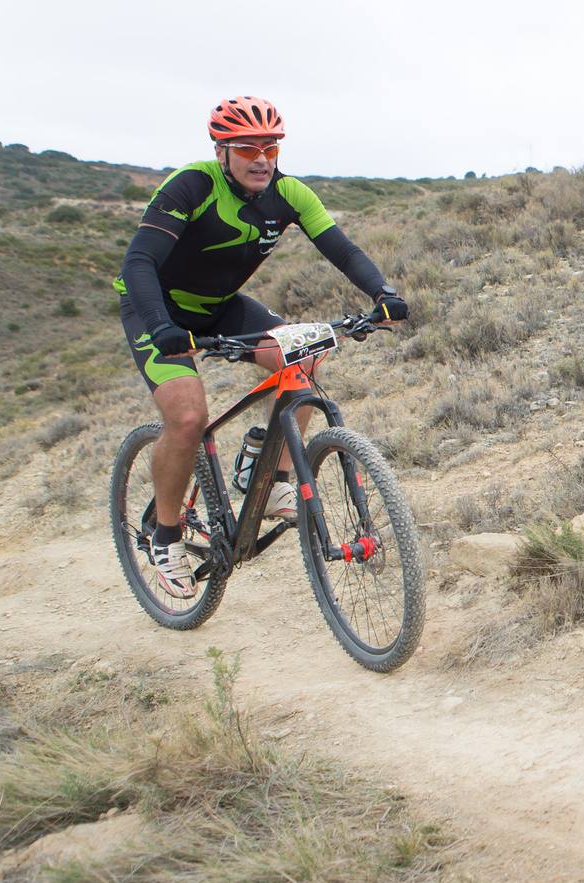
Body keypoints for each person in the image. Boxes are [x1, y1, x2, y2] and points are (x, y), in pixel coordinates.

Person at [116, 96, 409, 600]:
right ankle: (166, 538)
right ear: (221, 149)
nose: (262, 158)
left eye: (271, 147)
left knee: (304, 357)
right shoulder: (193, 186)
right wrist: (164, 327)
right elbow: (138, 263)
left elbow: (340, 248)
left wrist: (382, 293)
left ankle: (266, 473)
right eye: (248, 147)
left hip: (222, 305)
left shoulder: (289, 193)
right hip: (155, 310)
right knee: (187, 419)